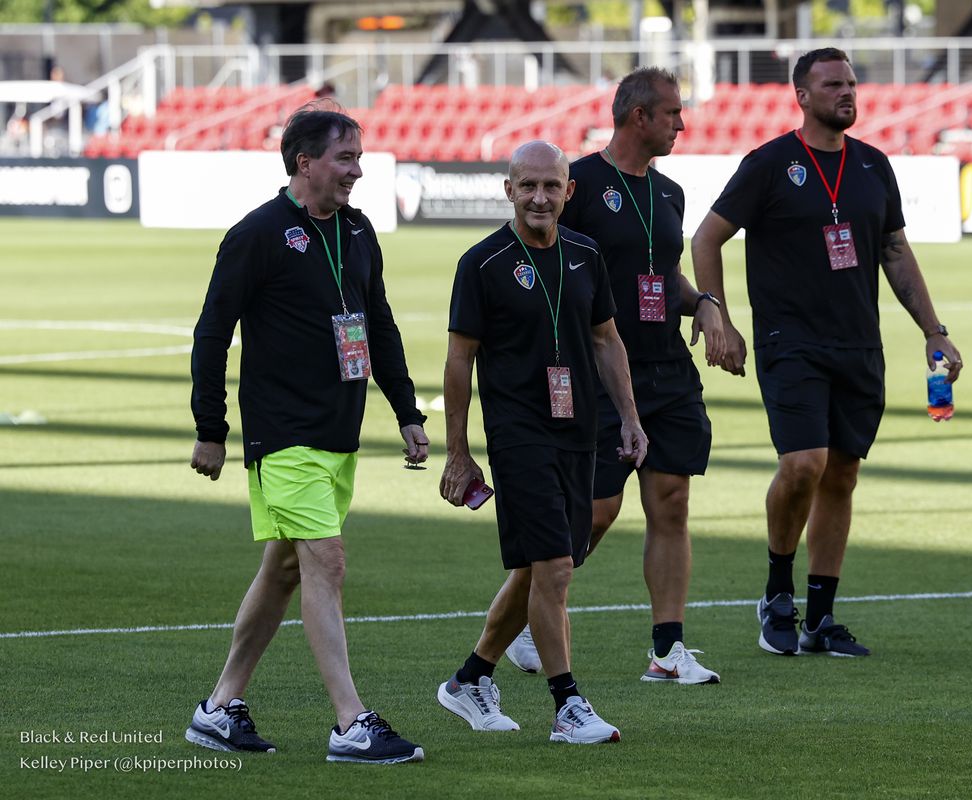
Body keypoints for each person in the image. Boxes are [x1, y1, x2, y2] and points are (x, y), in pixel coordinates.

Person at [691, 48, 963, 657]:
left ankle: (820, 617)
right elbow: (707, 238)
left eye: (851, 83)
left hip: (859, 343)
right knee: (803, 464)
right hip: (790, 343)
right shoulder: (769, 164)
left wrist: (933, 329)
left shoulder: (873, 165)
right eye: (833, 84)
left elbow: (895, 251)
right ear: (802, 96)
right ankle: (776, 594)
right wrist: (719, 319)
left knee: (841, 473)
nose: (847, 93)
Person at [187, 103, 429, 764]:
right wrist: (212, 427)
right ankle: (351, 722)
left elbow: (379, 325)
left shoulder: (358, 230)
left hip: (338, 432)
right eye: (345, 158)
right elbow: (212, 332)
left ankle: (218, 708)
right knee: (327, 559)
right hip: (282, 433)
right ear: (304, 162)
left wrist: (407, 411)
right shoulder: (258, 234)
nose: (357, 171)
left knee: (285, 569)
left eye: (358, 158)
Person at [504, 67, 724, 685]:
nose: (682, 124)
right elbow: (547, 267)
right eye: (673, 113)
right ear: (639, 117)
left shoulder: (670, 193)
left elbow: (664, 275)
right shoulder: (578, 184)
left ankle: (668, 650)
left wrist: (705, 304)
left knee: (672, 502)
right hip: (599, 371)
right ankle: (523, 622)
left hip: (668, 369)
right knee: (596, 510)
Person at [437, 140, 647, 743]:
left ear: (568, 191)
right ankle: (568, 706)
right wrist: (458, 451)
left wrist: (630, 418)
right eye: (527, 185)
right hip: (518, 435)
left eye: (551, 186)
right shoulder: (481, 263)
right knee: (554, 568)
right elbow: (459, 360)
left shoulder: (586, 254)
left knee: (543, 566)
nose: (539, 197)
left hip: (580, 433)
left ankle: (471, 678)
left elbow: (607, 340)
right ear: (508, 189)